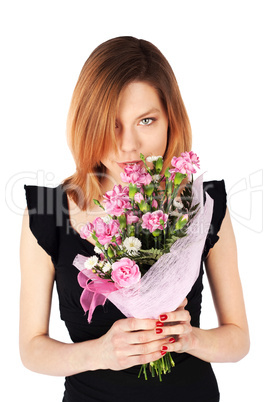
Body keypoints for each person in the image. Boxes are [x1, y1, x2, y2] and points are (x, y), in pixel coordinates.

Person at [20, 36, 250, 402]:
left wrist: (191, 339)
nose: (128, 145)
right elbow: (31, 348)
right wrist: (100, 353)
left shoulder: (200, 204)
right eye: (112, 124)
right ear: (87, 123)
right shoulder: (49, 211)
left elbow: (238, 340)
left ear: (170, 120)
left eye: (146, 120)